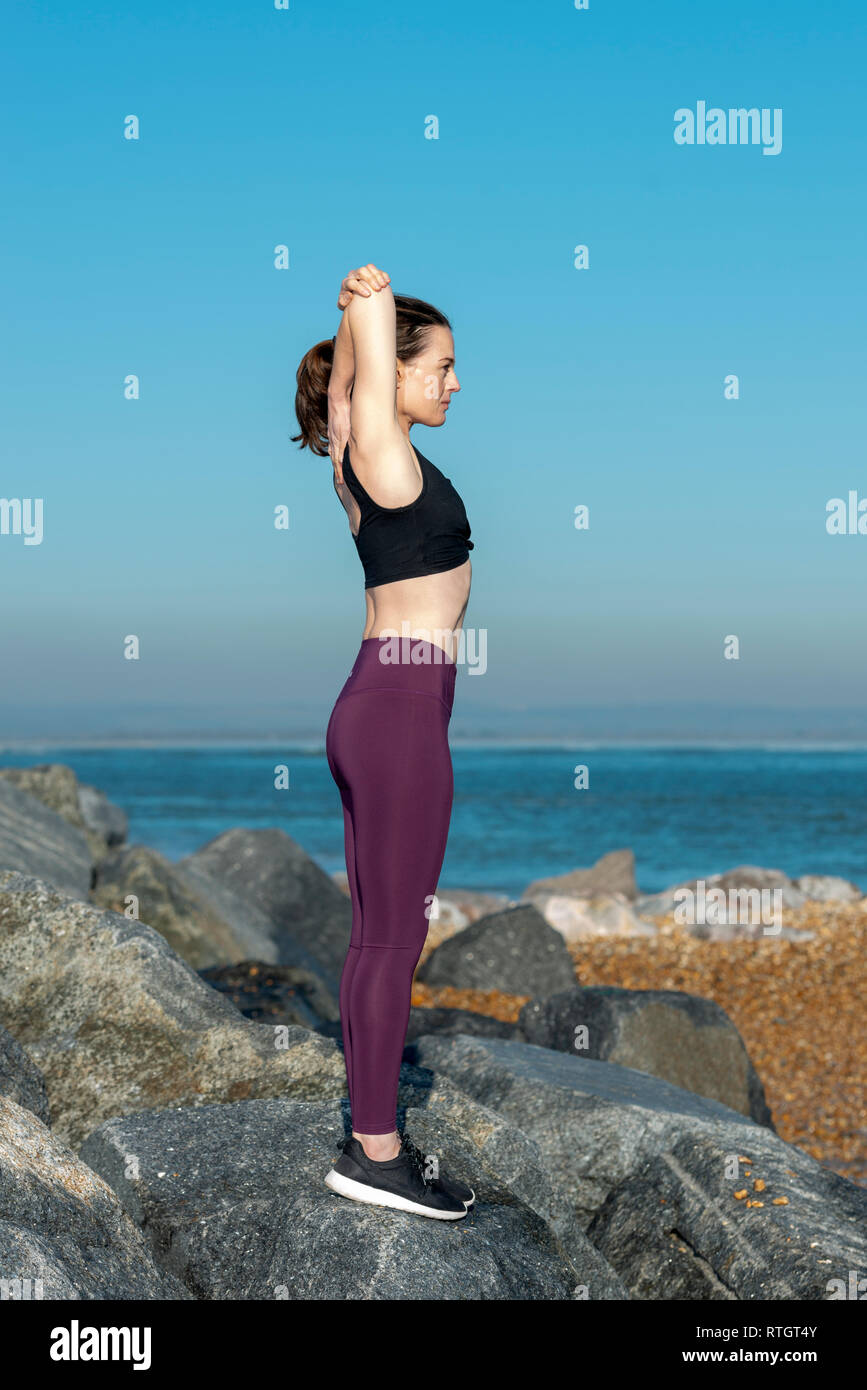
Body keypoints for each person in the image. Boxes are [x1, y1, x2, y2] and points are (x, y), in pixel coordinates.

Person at [293, 263, 476, 1219]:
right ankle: (374, 1152)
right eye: (440, 365)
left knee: (378, 937)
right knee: (394, 939)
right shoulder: (385, 459)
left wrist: (359, 340)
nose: (453, 382)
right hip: (401, 711)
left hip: (379, 702)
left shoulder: (355, 460)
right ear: (393, 374)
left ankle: (370, 1135)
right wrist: (369, 306)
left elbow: (346, 403)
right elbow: (360, 399)